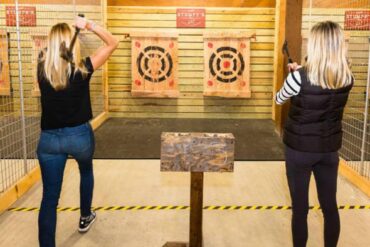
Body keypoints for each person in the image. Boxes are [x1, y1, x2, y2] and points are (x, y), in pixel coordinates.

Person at [36, 16, 118, 247]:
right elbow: (112, 43)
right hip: (79, 137)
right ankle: (85, 217)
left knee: (49, 199)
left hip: (49, 141)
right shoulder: (83, 68)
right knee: (85, 170)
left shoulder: (42, 69)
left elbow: (52, 53)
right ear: (70, 45)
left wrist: (63, 39)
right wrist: (88, 26)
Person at [275, 21, 353, 247]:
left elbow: (279, 99)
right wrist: (299, 73)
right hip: (329, 151)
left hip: (299, 151)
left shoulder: (298, 78)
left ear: (316, 45)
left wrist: (293, 76)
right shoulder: (348, 77)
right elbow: (323, 82)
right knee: (329, 206)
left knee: (300, 210)